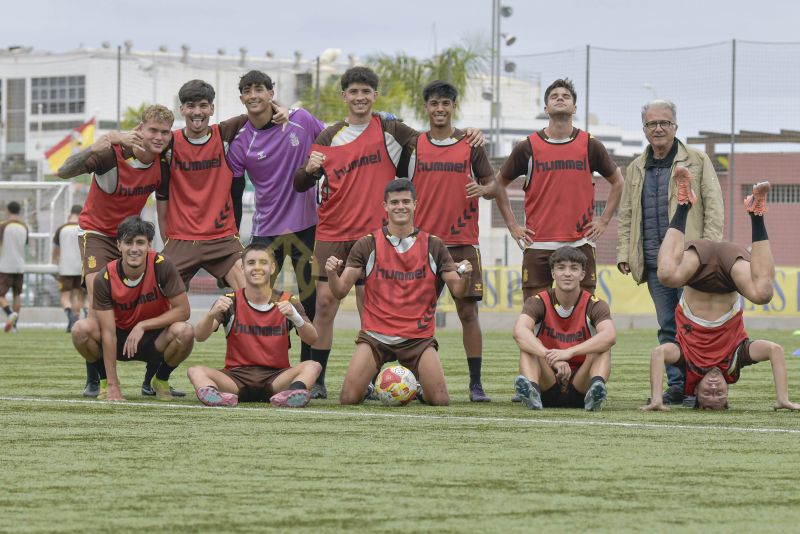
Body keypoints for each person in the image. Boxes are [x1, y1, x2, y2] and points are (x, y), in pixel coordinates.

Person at [293, 66, 482, 399]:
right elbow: (300, 183)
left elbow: (434, 138)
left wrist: (469, 135)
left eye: (366, 92)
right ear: (344, 97)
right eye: (354, 92)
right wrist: (308, 172)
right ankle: (318, 378)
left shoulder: (391, 129)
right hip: (333, 232)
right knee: (324, 306)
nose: (360, 97)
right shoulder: (330, 136)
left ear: (375, 96)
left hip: (373, 237)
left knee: (373, 311)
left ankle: (375, 378)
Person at [641, 178, 800, 411]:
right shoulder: (735, 362)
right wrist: (782, 398)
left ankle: (683, 204)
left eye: (707, 392)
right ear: (727, 393)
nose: (714, 387)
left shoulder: (688, 362)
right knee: (763, 293)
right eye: (720, 394)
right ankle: (757, 213)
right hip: (729, 271)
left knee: (665, 275)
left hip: (698, 269)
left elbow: (659, 353)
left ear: (694, 390)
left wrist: (656, 398)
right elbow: (774, 350)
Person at [56, 104, 181, 398]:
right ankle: (97, 378)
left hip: (131, 238)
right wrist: (98, 144)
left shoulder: (164, 161)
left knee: (157, 301)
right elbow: (63, 171)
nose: (160, 136)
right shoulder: (110, 154)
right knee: (98, 298)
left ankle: (153, 379)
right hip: (97, 233)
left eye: (165, 132)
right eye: (153, 130)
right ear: (139, 130)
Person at [398, 80, 504, 402]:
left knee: (468, 313)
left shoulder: (470, 144)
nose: (440, 109)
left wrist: (482, 190)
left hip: (462, 243)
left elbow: (493, 186)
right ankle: (412, 380)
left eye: (446, 103)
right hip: (423, 244)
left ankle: (476, 385)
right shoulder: (414, 145)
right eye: (434, 103)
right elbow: (400, 189)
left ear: (453, 107)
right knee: (417, 315)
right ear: (426, 108)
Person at [326, 179, 473, 406]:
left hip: (418, 338)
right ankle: (367, 386)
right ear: (384, 206)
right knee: (348, 399)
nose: (400, 206)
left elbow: (458, 290)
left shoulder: (434, 245)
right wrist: (332, 275)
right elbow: (340, 291)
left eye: (406, 201)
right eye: (394, 202)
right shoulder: (367, 244)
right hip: (376, 335)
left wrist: (466, 278)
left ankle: (420, 389)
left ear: (416, 204)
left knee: (441, 400)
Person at [617, 100, 724, 406]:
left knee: (697, 325)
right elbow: (627, 214)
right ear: (644, 130)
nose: (659, 128)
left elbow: (714, 208)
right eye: (652, 124)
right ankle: (678, 386)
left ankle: (699, 386)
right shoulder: (636, 167)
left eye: (665, 123)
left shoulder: (699, 160)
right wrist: (625, 250)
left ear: (676, 127)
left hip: (692, 261)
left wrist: (709, 251)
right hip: (654, 262)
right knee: (668, 326)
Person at [226, 70, 324, 371]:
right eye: (247, 90)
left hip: (307, 226)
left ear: (271, 93)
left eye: (260, 89)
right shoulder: (241, 142)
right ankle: (262, 366)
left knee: (309, 303)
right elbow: (235, 191)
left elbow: (333, 143)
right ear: (241, 97)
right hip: (266, 232)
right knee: (258, 302)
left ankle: (311, 372)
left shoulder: (301, 120)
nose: (253, 95)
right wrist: (233, 235)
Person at [494, 78, 624, 303]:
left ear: (574, 107)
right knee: (534, 314)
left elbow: (618, 182)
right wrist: (512, 225)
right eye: (554, 96)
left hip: (579, 243)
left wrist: (603, 221)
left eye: (566, 96)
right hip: (538, 244)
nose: (560, 98)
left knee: (583, 313)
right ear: (546, 108)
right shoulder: (528, 147)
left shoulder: (590, 145)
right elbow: (499, 185)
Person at [71, 216, 194, 401]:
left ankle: (160, 379)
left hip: (155, 339)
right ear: (119, 245)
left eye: (140, 242)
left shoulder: (162, 266)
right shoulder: (105, 277)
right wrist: (113, 385)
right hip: (119, 341)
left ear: (149, 245)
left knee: (185, 332)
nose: (134, 249)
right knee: (81, 330)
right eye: (129, 242)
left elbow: (183, 311)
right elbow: (108, 332)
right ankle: (105, 382)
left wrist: (143, 325)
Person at [188, 243, 321, 408]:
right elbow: (200, 336)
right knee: (195, 371)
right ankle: (216, 396)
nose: (257, 267)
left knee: (313, 366)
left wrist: (295, 317)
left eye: (263, 263)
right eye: (251, 263)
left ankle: (293, 393)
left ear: (272, 268)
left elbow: (313, 339)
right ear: (242, 268)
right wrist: (211, 314)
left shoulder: (287, 300)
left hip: (276, 379)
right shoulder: (230, 301)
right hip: (236, 380)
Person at [512, 246, 616, 411]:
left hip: (580, 387)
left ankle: (596, 390)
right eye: (561, 268)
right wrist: (552, 357)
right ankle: (532, 391)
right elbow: (519, 332)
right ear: (553, 273)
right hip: (548, 384)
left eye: (574, 268)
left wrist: (570, 352)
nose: (567, 273)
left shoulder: (595, 304)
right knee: (529, 344)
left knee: (602, 346)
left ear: (582, 274)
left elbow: (610, 336)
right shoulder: (537, 301)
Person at [52, 204, 87, 333]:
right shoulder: (83, 229)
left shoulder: (61, 229)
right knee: (76, 295)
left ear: (70, 215)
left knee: (65, 296)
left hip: (65, 267)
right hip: (80, 267)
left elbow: (56, 249)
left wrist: (55, 261)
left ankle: (70, 317)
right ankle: (76, 319)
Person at [0, 201, 28, 333]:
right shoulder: (24, 227)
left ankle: (10, 313)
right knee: (17, 295)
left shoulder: (3, 225)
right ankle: (15, 326)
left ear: (7, 210)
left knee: (1, 294)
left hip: (6, 265)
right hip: (20, 265)